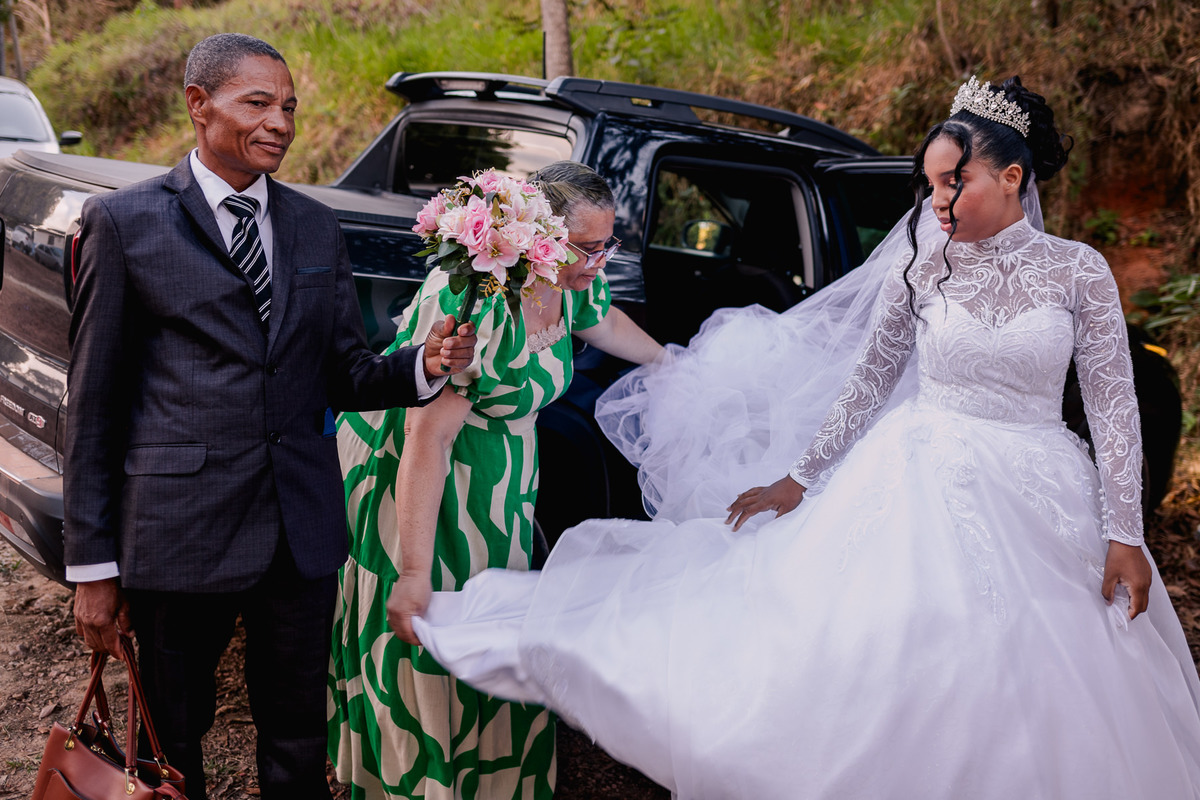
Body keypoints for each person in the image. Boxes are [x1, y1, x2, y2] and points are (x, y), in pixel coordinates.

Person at [412, 77, 1200, 798]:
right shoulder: (925, 265)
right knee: (891, 650)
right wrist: (803, 475)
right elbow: (868, 379)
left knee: (1053, 673)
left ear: (1013, 179)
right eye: (928, 186)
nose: (936, 203)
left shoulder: (1078, 272)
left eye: (950, 182)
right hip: (919, 473)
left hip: (1045, 493)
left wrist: (1124, 532)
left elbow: (1114, 408)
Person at [63, 33, 477, 800]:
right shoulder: (124, 224)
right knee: (171, 741)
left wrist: (425, 362)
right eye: (257, 103)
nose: (280, 121)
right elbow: (92, 404)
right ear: (199, 105)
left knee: (296, 734)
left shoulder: (316, 226)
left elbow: (347, 373)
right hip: (178, 532)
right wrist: (92, 567)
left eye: (287, 106)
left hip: (299, 530)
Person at [327, 160, 663, 799]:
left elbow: (602, 321)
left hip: (505, 480)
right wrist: (413, 571)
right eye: (589, 248)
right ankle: (425, 784)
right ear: (540, 241)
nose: (601, 261)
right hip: (432, 482)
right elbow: (429, 437)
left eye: (608, 244)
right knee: (438, 625)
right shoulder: (481, 300)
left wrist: (672, 361)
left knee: (494, 623)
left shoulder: (571, 279)